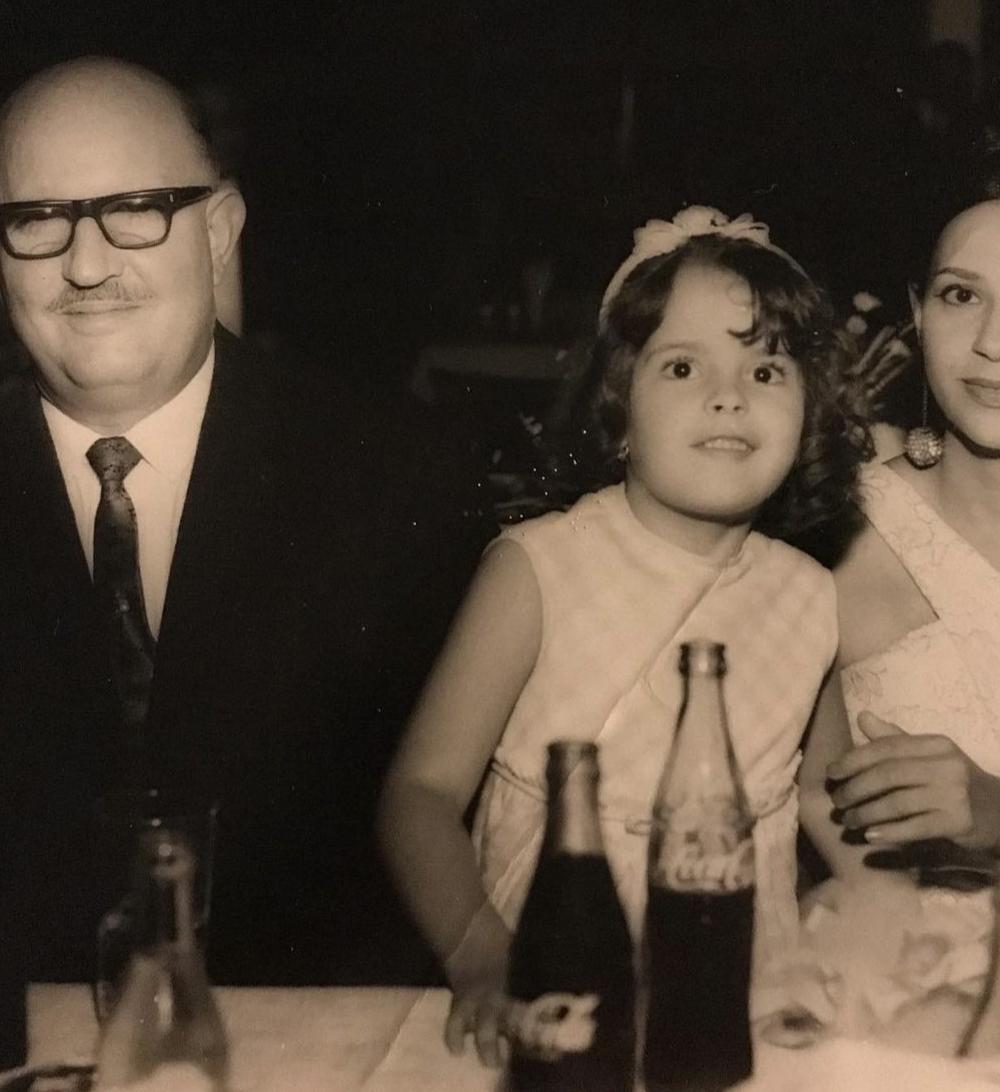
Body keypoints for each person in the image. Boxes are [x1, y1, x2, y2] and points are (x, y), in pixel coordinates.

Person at [0, 56, 477, 1065]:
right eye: (37, 219)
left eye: (135, 211)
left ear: (218, 230)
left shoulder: (397, 479)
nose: (85, 264)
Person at [378, 205, 870, 1065]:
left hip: (737, 992)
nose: (729, 395)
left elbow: (823, 797)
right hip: (549, 981)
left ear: (810, 415)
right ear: (617, 411)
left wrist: (887, 905)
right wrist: (482, 957)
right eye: (683, 366)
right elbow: (419, 795)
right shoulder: (537, 570)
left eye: (766, 370)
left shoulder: (811, 594)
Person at [799, 134, 1000, 975]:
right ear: (920, 313)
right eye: (962, 294)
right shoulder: (826, 530)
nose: (995, 341)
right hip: (873, 988)